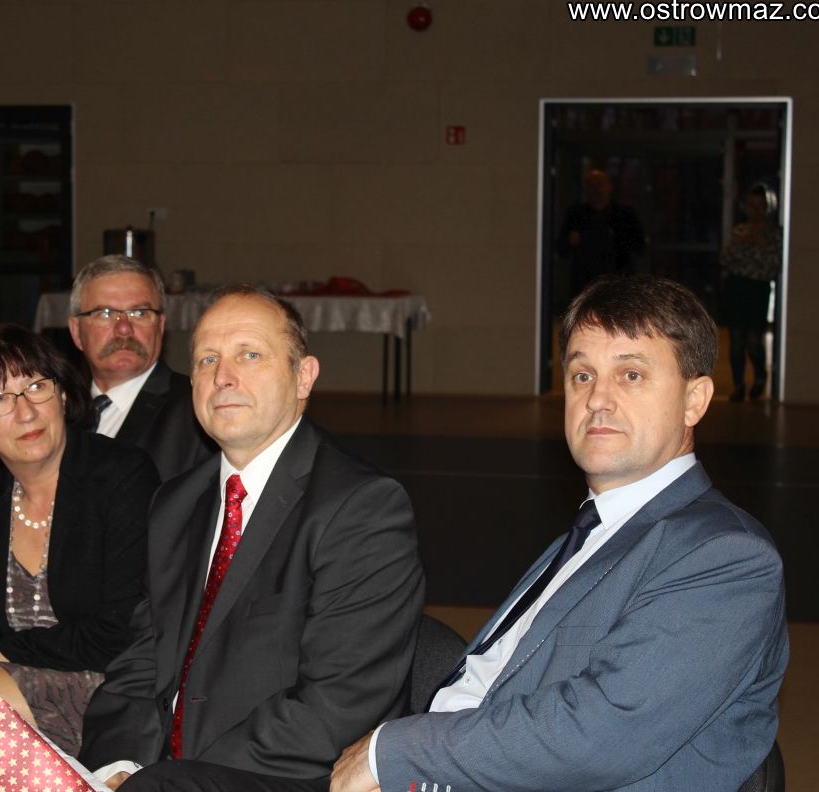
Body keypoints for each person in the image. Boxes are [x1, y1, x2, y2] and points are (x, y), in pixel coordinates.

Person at [330, 275, 788, 792]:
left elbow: (602, 735)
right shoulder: (597, 529)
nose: (598, 399)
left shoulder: (723, 556)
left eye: (631, 374)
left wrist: (392, 752)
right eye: (582, 375)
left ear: (695, 400)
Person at [79, 285, 426, 792]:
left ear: (303, 376)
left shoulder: (361, 508)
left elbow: (336, 705)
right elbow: (142, 659)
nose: (223, 376)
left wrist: (168, 780)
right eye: (207, 359)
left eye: (250, 355)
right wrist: (117, 766)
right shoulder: (176, 503)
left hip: (289, 778)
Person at [0, 324, 159, 756]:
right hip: (5, 688)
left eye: (36, 387)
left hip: (113, 692)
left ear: (60, 396)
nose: (25, 413)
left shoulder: (120, 475)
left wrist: (2, 650)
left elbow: (120, 632)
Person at [68, 255, 215, 481]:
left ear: (161, 326)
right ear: (76, 332)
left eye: (140, 313)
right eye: (105, 313)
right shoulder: (59, 412)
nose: (124, 329)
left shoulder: (197, 410)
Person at [721, 183, 782, 401]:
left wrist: (758, 243)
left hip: (757, 290)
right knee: (736, 341)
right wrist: (747, 248)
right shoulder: (739, 231)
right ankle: (738, 385)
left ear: (767, 207)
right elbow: (726, 259)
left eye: (760, 206)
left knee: (754, 340)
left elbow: (771, 265)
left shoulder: (774, 234)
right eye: (751, 205)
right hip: (737, 288)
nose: (755, 211)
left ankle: (760, 377)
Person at [558, 169, 646, 300]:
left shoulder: (624, 214)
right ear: (585, 189)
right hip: (584, 282)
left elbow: (640, 246)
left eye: (599, 184)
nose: (595, 189)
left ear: (610, 187)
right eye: (590, 185)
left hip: (618, 280)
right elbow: (561, 250)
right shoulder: (576, 214)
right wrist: (570, 241)